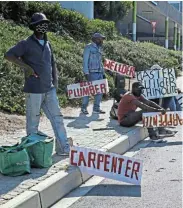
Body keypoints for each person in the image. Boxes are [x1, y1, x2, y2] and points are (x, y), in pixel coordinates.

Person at [4, 13, 70, 155]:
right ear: (33, 27)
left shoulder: (48, 44)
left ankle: (64, 148)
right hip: (34, 90)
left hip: (49, 89)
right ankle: (32, 153)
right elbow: (9, 55)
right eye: (40, 23)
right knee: (33, 122)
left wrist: (55, 83)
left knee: (57, 118)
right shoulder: (25, 43)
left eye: (45, 23)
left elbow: (52, 64)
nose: (43, 26)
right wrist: (26, 67)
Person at [81, 33, 106, 115]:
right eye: (101, 39)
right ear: (96, 39)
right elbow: (85, 61)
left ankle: (96, 108)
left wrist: (103, 72)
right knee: (88, 91)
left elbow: (100, 61)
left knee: (100, 91)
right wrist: (86, 72)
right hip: (92, 73)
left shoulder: (99, 48)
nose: (102, 40)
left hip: (100, 72)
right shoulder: (88, 47)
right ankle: (84, 108)